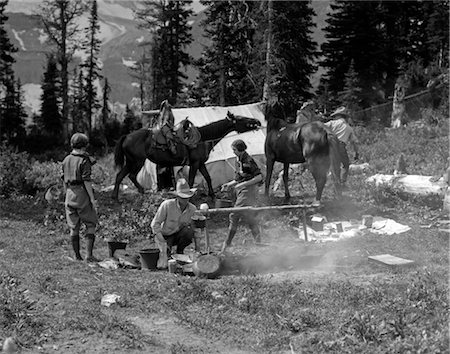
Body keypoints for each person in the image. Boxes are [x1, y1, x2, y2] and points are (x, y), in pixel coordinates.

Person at [220, 139, 263, 252]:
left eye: (234, 150)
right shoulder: (238, 160)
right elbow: (239, 178)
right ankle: (259, 243)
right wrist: (229, 185)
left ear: (240, 150)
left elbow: (259, 177)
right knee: (250, 217)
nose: (233, 152)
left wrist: (243, 184)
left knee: (234, 215)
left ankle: (227, 243)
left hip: (248, 191)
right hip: (241, 190)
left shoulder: (248, 160)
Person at [61, 133, 99, 262]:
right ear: (85, 145)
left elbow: (63, 179)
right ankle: (89, 255)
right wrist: (92, 199)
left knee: (74, 226)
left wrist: (66, 193)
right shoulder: (84, 160)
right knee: (91, 223)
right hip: (82, 193)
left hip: (69, 193)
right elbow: (87, 181)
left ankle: (77, 256)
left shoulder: (66, 159)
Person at [151, 178, 198, 269]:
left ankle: (180, 252)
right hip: (165, 235)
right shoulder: (167, 205)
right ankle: (167, 252)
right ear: (177, 197)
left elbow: (195, 228)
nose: (185, 200)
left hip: (178, 234)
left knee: (188, 231)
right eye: (182, 197)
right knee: (165, 257)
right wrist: (162, 241)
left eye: (187, 197)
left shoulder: (192, 209)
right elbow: (155, 224)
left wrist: (197, 249)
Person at [324, 106, 359, 188]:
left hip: (329, 145)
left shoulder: (332, 123)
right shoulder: (349, 128)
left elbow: (320, 127)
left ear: (338, 116)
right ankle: (342, 183)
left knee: (333, 165)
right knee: (345, 165)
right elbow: (354, 142)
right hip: (340, 146)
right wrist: (356, 153)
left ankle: (333, 183)